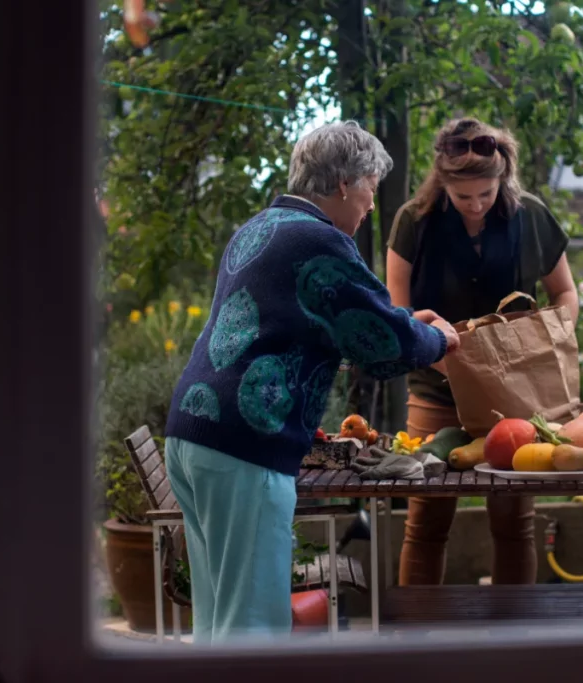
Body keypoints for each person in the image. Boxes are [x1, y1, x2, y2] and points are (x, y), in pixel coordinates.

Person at [163, 120, 460, 644]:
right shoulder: (319, 240)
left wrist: (408, 321)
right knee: (252, 629)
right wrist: (439, 341)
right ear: (344, 183)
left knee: (217, 623)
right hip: (245, 447)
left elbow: (340, 318)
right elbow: (382, 342)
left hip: (195, 434)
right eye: (370, 186)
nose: (371, 204)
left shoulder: (262, 226)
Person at [385, 117, 579, 586]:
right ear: (443, 183)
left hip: (516, 395)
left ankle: (515, 640)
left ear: (503, 178)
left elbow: (567, 296)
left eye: (486, 196)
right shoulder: (413, 222)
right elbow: (397, 313)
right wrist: (440, 357)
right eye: (463, 197)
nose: (475, 206)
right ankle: (418, 639)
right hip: (436, 391)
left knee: (513, 525)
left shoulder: (532, 216)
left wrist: (545, 340)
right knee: (427, 523)